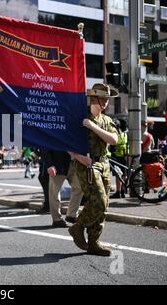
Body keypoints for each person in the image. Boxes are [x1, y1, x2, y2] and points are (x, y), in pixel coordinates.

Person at [68, 83, 118, 257]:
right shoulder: (81, 117)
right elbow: (67, 142)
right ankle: (78, 227)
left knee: (103, 207)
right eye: (102, 98)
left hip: (104, 164)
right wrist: (79, 157)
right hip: (87, 164)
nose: (105, 102)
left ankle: (94, 242)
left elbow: (114, 140)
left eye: (107, 99)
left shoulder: (105, 120)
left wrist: (93, 126)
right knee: (99, 201)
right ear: (93, 98)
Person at [44, 149, 83, 227]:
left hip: (74, 162)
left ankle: (72, 215)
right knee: (54, 192)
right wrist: (49, 164)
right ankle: (57, 219)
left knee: (79, 187)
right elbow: (44, 147)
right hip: (57, 163)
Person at [109, 119, 128, 198]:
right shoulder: (124, 134)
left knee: (117, 174)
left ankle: (118, 192)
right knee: (124, 174)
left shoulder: (115, 135)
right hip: (124, 156)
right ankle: (123, 191)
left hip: (116, 157)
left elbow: (112, 146)